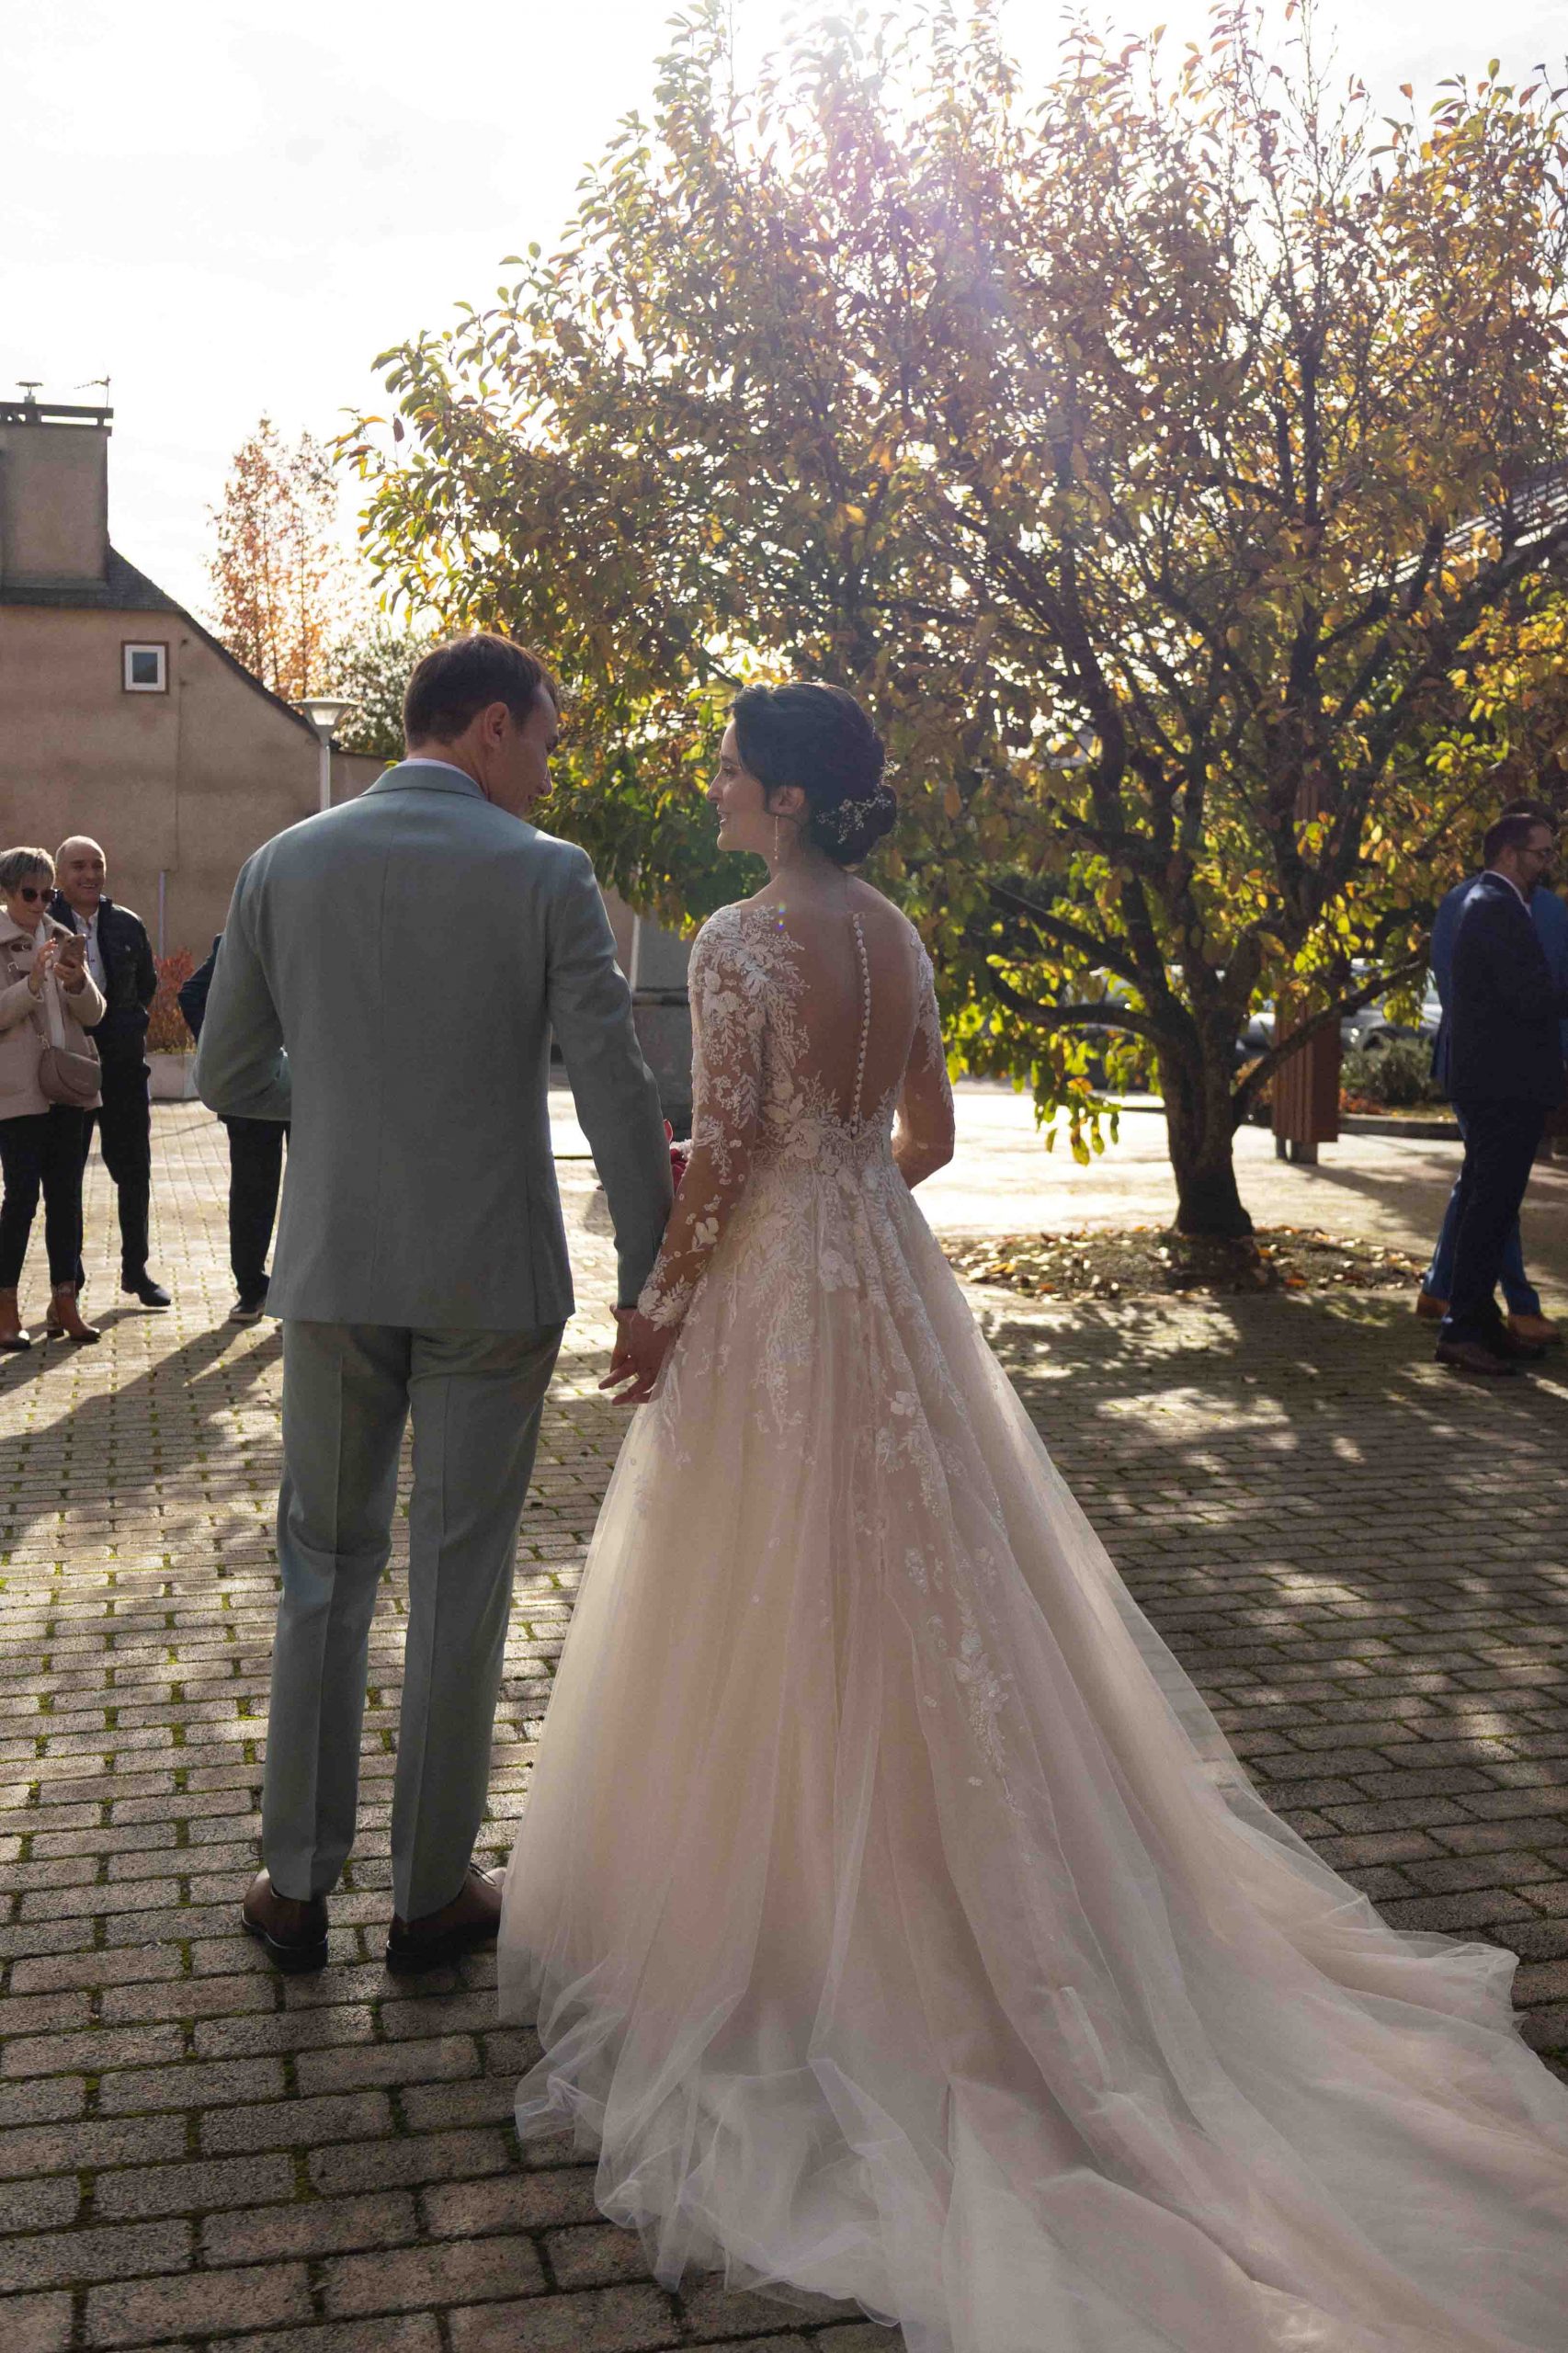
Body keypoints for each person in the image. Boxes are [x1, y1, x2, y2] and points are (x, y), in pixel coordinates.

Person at [500, 684, 1568, 2353]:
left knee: (770, 1596)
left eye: (725, 769)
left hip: (785, 1289)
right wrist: (842, 1208)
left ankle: (802, 1933)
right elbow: (913, 1137)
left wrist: (666, 1298)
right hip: (886, 1288)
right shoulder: (902, 938)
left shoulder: (732, 942)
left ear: (779, 798)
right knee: (932, 1598)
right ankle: (965, 1896)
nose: (711, 788)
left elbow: (723, 1163)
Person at [195, 633, 671, 1977]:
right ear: (485, 729)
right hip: (491, 1278)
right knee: (462, 1583)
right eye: (544, 735)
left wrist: (343, 1109)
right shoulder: (546, 875)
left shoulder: (283, 861)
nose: (547, 762)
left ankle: (293, 1887)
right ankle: (430, 1892)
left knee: (320, 1573)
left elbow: (233, 1065)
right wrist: (652, 1276)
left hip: (335, 1270)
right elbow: (616, 1085)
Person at [1419, 794, 1568, 1343]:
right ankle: (1483, 1314)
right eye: (1543, 852)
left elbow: (1455, 988)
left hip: (1477, 1068)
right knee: (1492, 1196)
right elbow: (1530, 996)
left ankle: (1454, 1298)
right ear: (1510, 852)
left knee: (1481, 1188)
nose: (1549, 862)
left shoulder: (1462, 900)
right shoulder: (1508, 905)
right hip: (1507, 1074)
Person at [50, 837, 170, 1308]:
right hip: (67, 1068)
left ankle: (136, 1271)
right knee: (65, 1177)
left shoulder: (126, 924)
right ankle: (69, 1280)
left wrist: (125, 1027)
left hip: (122, 1067)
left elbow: (146, 986)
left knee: (134, 1170)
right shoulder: (45, 926)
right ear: (60, 875)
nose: (90, 874)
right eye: (78, 866)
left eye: (97, 865)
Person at [0, 847, 106, 1347]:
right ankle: (5, 1308)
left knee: (66, 1199)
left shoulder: (63, 938)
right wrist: (34, 983)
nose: (41, 903)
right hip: (19, 1094)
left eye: (48, 893)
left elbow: (95, 1014)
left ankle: (65, 1302)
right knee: (20, 1199)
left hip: (69, 1088)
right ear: (6, 893)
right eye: (30, 894)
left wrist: (78, 980)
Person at [179, 936, 287, 1324]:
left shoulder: (318, 935)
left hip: (308, 1087)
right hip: (253, 1090)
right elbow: (191, 995)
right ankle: (252, 1288)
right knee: (253, 1190)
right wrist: (225, 1055)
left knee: (308, 1191)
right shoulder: (240, 943)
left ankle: (292, 1291)